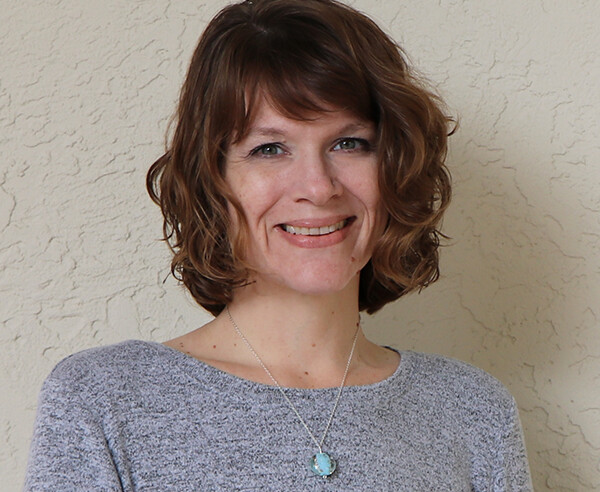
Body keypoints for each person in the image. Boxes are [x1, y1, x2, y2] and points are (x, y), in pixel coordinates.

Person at [25, 0, 533, 490]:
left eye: (349, 143)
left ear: (396, 167)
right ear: (212, 180)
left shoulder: (472, 412)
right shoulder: (104, 402)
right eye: (269, 149)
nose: (318, 186)